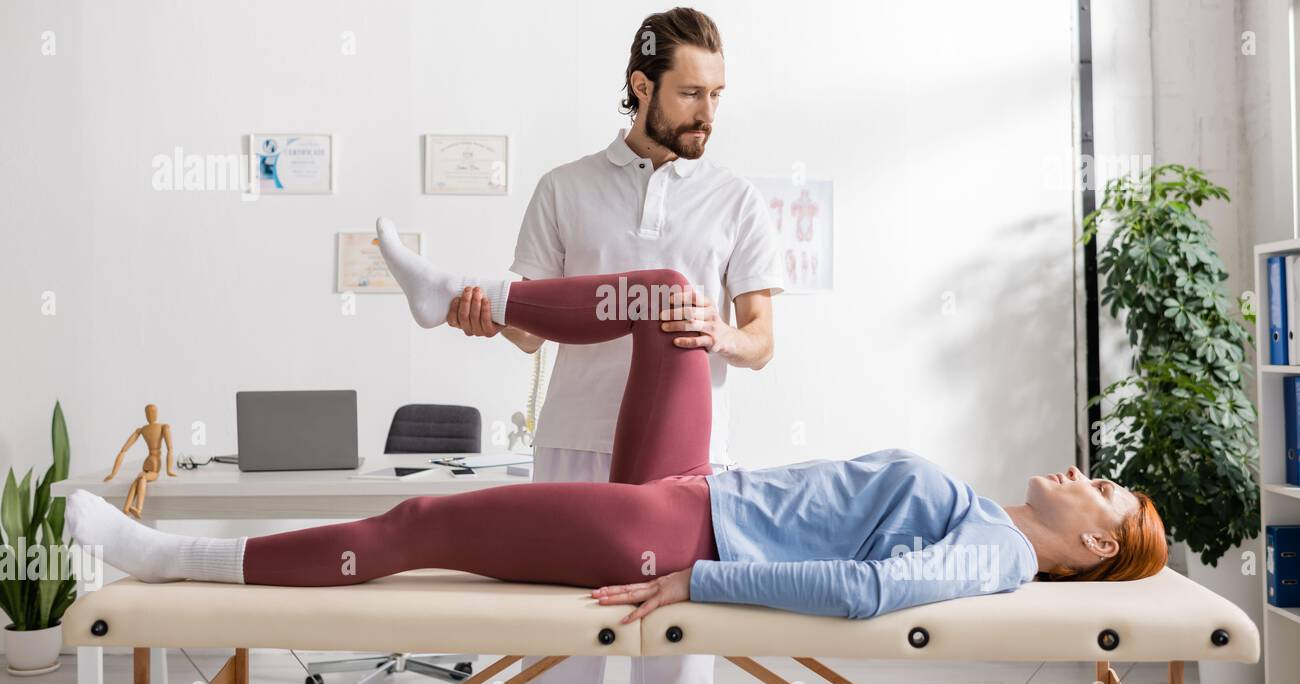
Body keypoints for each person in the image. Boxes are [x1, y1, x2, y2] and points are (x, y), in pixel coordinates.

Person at [66, 247, 1170, 639]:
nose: (1088, 476)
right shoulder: (992, 519)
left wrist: (700, 578)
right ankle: (462, 294)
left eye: (1106, 496)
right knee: (671, 300)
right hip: (695, 488)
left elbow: (866, 592)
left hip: (674, 531)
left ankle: (169, 557)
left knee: (419, 525)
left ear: (1087, 554)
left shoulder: (997, 557)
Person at [443, 6, 784, 684]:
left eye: (718, 95)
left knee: (676, 659)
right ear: (642, 85)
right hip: (573, 448)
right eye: (692, 94)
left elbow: (762, 341)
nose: (708, 113)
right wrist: (484, 314)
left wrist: (719, 332)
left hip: (690, 463)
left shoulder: (736, 199)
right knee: (559, 654)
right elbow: (530, 329)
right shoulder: (564, 188)